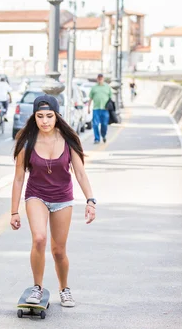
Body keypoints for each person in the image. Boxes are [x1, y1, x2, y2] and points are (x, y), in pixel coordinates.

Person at [11, 95, 96, 307]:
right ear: (34, 117)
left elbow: (80, 173)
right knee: (39, 239)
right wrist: (14, 211)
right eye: (40, 116)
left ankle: (64, 288)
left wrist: (90, 200)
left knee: (58, 250)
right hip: (36, 195)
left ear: (57, 116)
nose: (45, 121)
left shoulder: (68, 140)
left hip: (62, 198)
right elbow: (19, 177)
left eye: (49, 116)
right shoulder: (27, 142)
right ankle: (37, 288)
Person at [88, 74, 112, 144]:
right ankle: (97, 138)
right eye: (99, 78)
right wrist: (88, 108)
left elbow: (111, 98)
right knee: (95, 124)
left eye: (101, 78)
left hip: (105, 109)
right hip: (96, 109)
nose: (100, 79)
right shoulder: (94, 87)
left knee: (104, 124)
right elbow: (90, 98)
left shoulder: (107, 87)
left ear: (103, 79)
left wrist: (111, 108)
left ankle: (103, 135)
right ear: (97, 79)